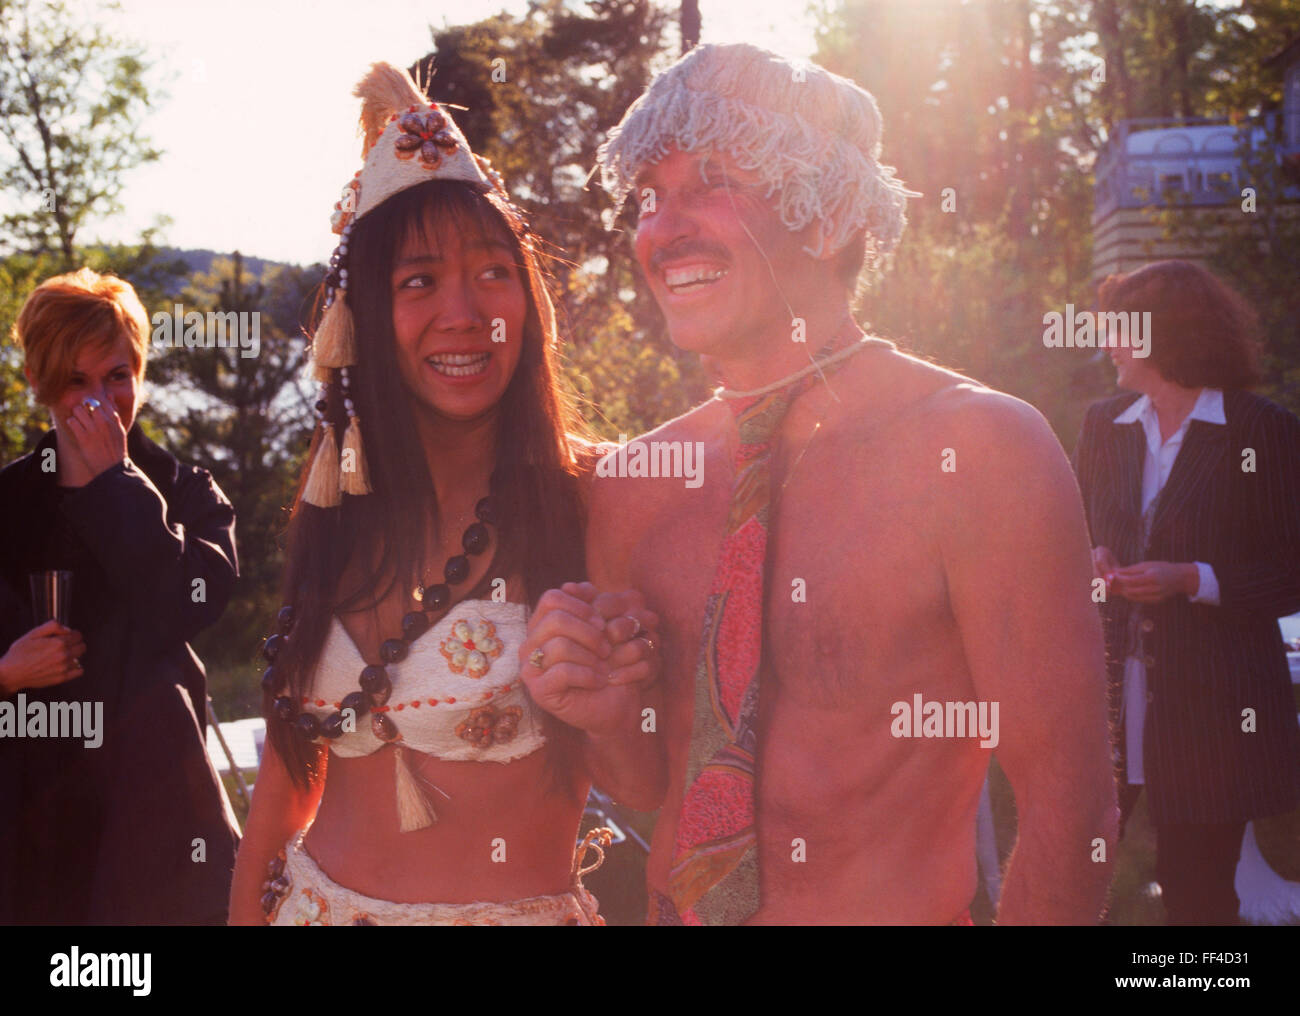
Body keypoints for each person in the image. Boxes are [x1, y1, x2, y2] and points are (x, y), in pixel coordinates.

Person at [588, 43, 1118, 925]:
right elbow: (639, 777)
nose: (664, 227)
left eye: (714, 180)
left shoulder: (980, 449)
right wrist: (601, 706)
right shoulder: (631, 484)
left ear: (827, 214)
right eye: (650, 195)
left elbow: (1071, 807)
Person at [228, 63, 663, 926]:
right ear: (361, 319)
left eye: (492, 273)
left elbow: (643, 780)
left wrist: (610, 710)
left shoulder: (598, 496)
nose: (463, 312)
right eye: (419, 281)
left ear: (528, 300)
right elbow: (279, 804)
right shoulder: (336, 506)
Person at [0, 268, 241, 924]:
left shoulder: (188, 494)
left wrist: (117, 483)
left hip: (160, 823)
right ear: (39, 382)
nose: (98, 402)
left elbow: (186, 604)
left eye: (115, 376)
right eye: (75, 381)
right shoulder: (9, 505)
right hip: (33, 832)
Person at [1074, 259, 1300, 925]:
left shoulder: (1263, 432)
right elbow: (1084, 535)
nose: (1107, 343)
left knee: (1197, 891)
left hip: (1216, 711)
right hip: (1110, 696)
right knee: (1074, 867)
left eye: (1119, 328)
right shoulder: (1102, 425)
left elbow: (1293, 571)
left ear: (1161, 336)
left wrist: (1192, 579)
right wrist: (1094, 559)